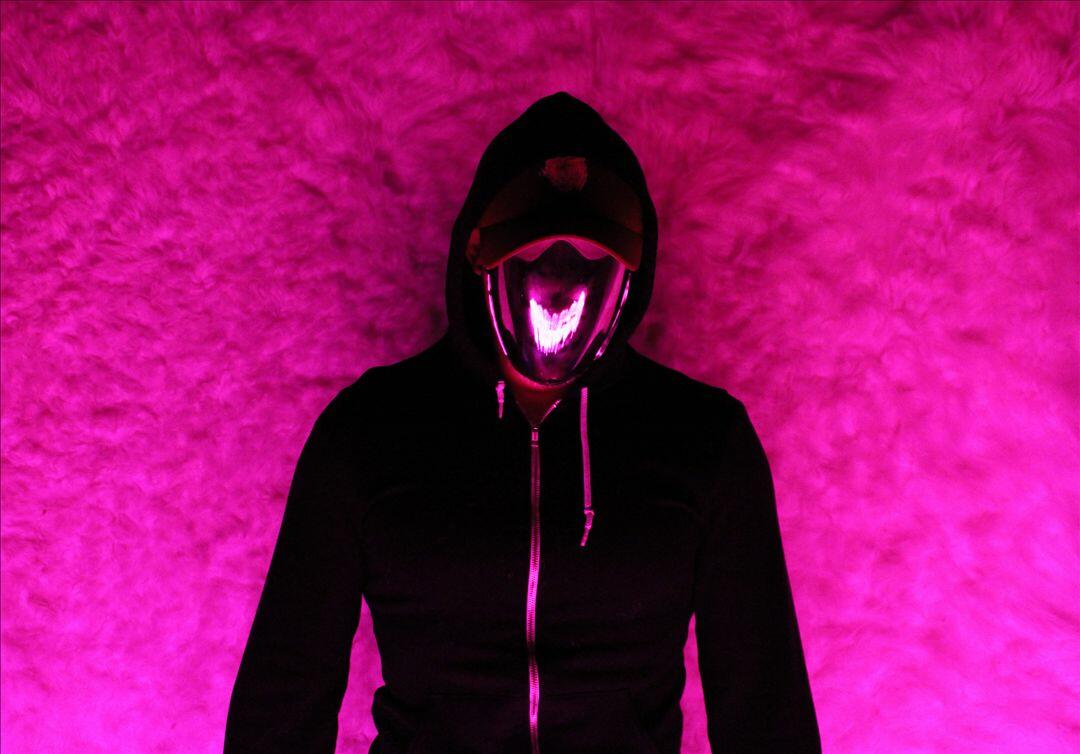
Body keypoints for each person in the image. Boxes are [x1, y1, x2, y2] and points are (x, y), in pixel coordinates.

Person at [224, 91, 821, 754]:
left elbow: (767, 708)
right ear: (479, 249)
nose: (561, 277)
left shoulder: (703, 441)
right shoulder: (370, 433)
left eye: (591, 252)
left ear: (632, 266)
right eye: (537, 247)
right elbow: (283, 695)